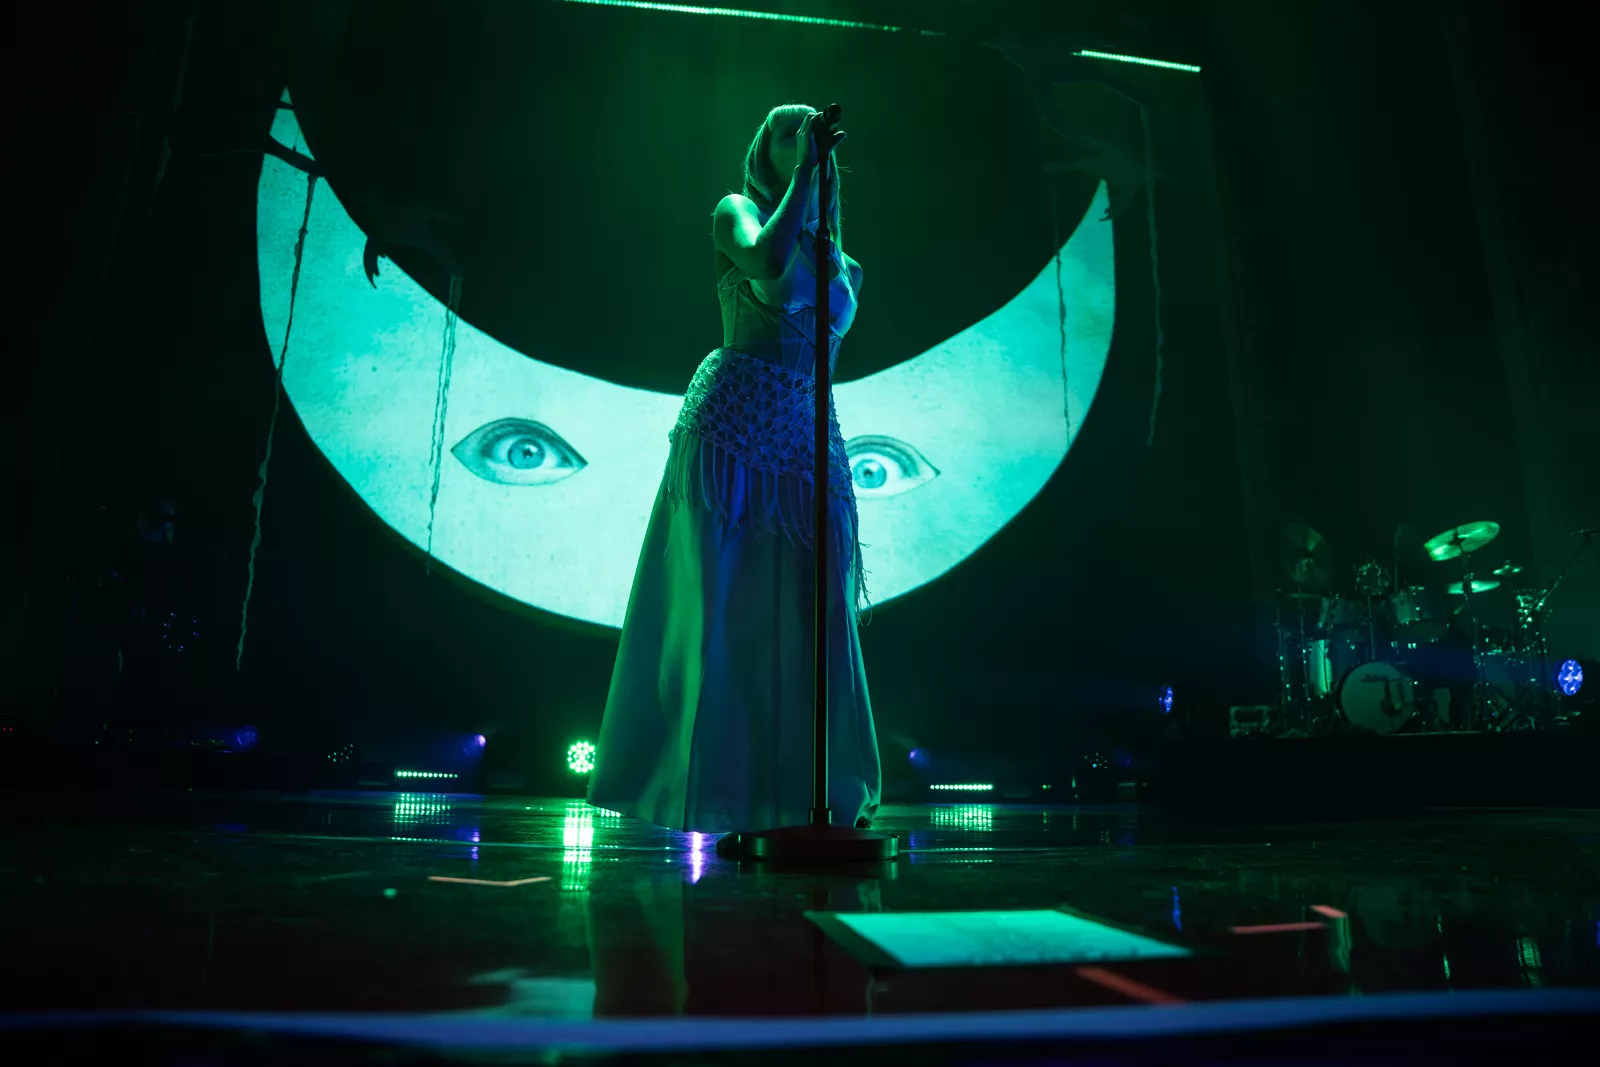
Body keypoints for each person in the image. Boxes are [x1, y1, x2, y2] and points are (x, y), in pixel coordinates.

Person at [588, 105, 880, 835]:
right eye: (788, 129)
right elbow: (770, 266)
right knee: (726, 603)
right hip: (735, 424)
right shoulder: (736, 212)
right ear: (763, 151)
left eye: (812, 130)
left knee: (813, 608)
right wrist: (807, 168)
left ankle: (802, 791)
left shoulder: (845, 263)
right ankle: (715, 788)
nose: (804, 136)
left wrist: (816, 187)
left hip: (808, 431)